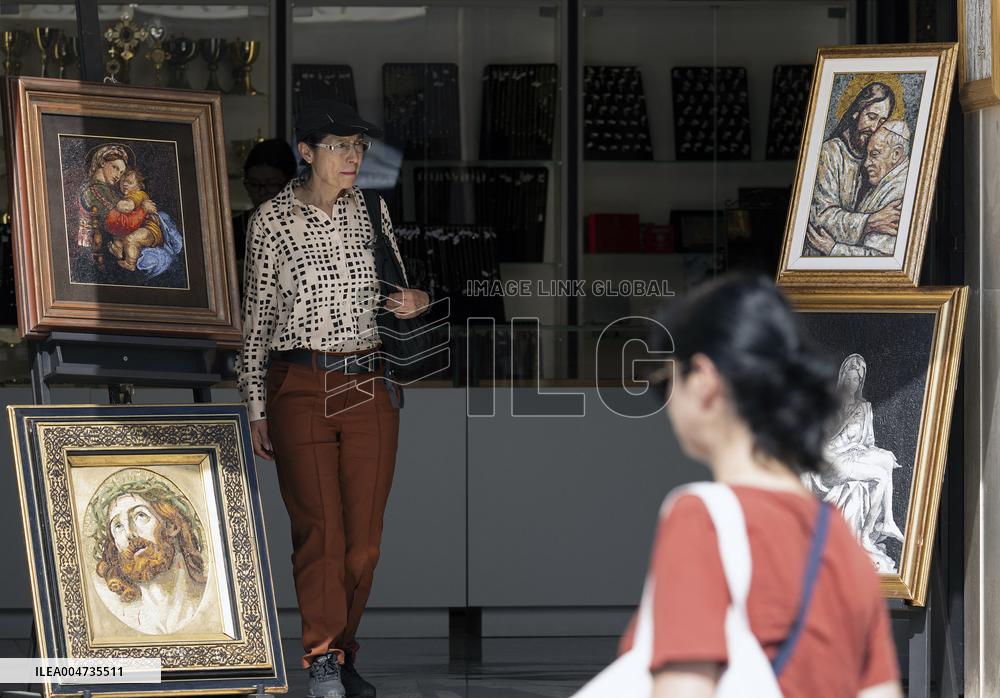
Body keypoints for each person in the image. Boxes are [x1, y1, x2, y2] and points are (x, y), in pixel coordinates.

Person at [614, 275, 901, 697]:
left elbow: (683, 689)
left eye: (663, 380)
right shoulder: (840, 536)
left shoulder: (702, 520)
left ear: (704, 380)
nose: (666, 401)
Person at [236, 99, 429, 698]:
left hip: (369, 381)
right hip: (299, 383)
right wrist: (255, 405)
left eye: (359, 148)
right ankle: (323, 657)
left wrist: (414, 300)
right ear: (307, 151)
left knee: (364, 542)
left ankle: (342, 651)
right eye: (341, 146)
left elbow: (399, 284)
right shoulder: (269, 222)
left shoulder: (374, 210)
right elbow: (257, 321)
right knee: (319, 530)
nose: (353, 158)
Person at [803, 354, 904, 573]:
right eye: (851, 375)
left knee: (885, 461)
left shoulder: (865, 408)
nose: (854, 381)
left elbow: (869, 442)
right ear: (842, 376)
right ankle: (871, 532)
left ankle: (880, 525)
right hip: (831, 463)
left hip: (854, 457)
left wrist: (880, 453)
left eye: (858, 378)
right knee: (880, 476)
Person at [87, 470, 208, 636]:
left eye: (140, 515)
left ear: (172, 525)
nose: (129, 533)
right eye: (118, 526)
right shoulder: (123, 622)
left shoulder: (214, 603)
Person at [807, 82, 902, 254]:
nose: (875, 128)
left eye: (882, 121)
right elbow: (820, 217)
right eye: (871, 117)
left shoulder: (881, 158)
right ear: (856, 112)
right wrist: (869, 222)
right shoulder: (830, 153)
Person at [232, 138, 297, 294]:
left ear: (291, 184)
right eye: (254, 184)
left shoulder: (305, 229)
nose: (261, 193)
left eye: (272, 184)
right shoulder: (232, 229)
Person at [106, 168, 164, 271]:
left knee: (130, 239)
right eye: (123, 181)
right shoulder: (125, 196)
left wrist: (117, 205)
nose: (124, 184)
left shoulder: (138, 194)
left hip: (149, 230)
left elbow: (127, 207)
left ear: (139, 186)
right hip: (133, 227)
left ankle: (130, 263)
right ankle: (120, 253)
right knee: (118, 240)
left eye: (130, 182)